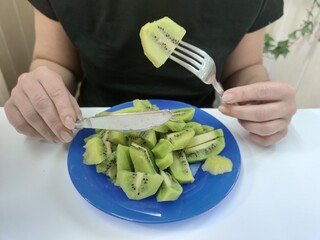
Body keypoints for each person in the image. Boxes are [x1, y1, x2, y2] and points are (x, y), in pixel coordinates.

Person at [4, 0, 296, 146]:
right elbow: (54, 61)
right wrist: (42, 91)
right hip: (91, 123)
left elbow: (245, 68)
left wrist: (260, 100)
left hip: (197, 125)